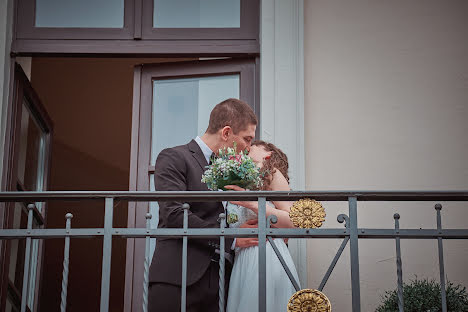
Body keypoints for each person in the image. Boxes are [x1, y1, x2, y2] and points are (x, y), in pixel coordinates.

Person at [148, 98, 258, 312]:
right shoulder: (174, 157)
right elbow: (174, 214)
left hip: (221, 283)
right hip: (178, 277)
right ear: (226, 133)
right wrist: (232, 238)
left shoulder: (232, 169)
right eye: (247, 139)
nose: (248, 148)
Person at [225, 140, 300, 312]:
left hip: (267, 254)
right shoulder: (237, 180)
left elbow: (294, 221)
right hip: (241, 260)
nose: (247, 147)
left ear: (268, 154)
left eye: (253, 146)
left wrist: (252, 204)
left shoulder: (271, 174)